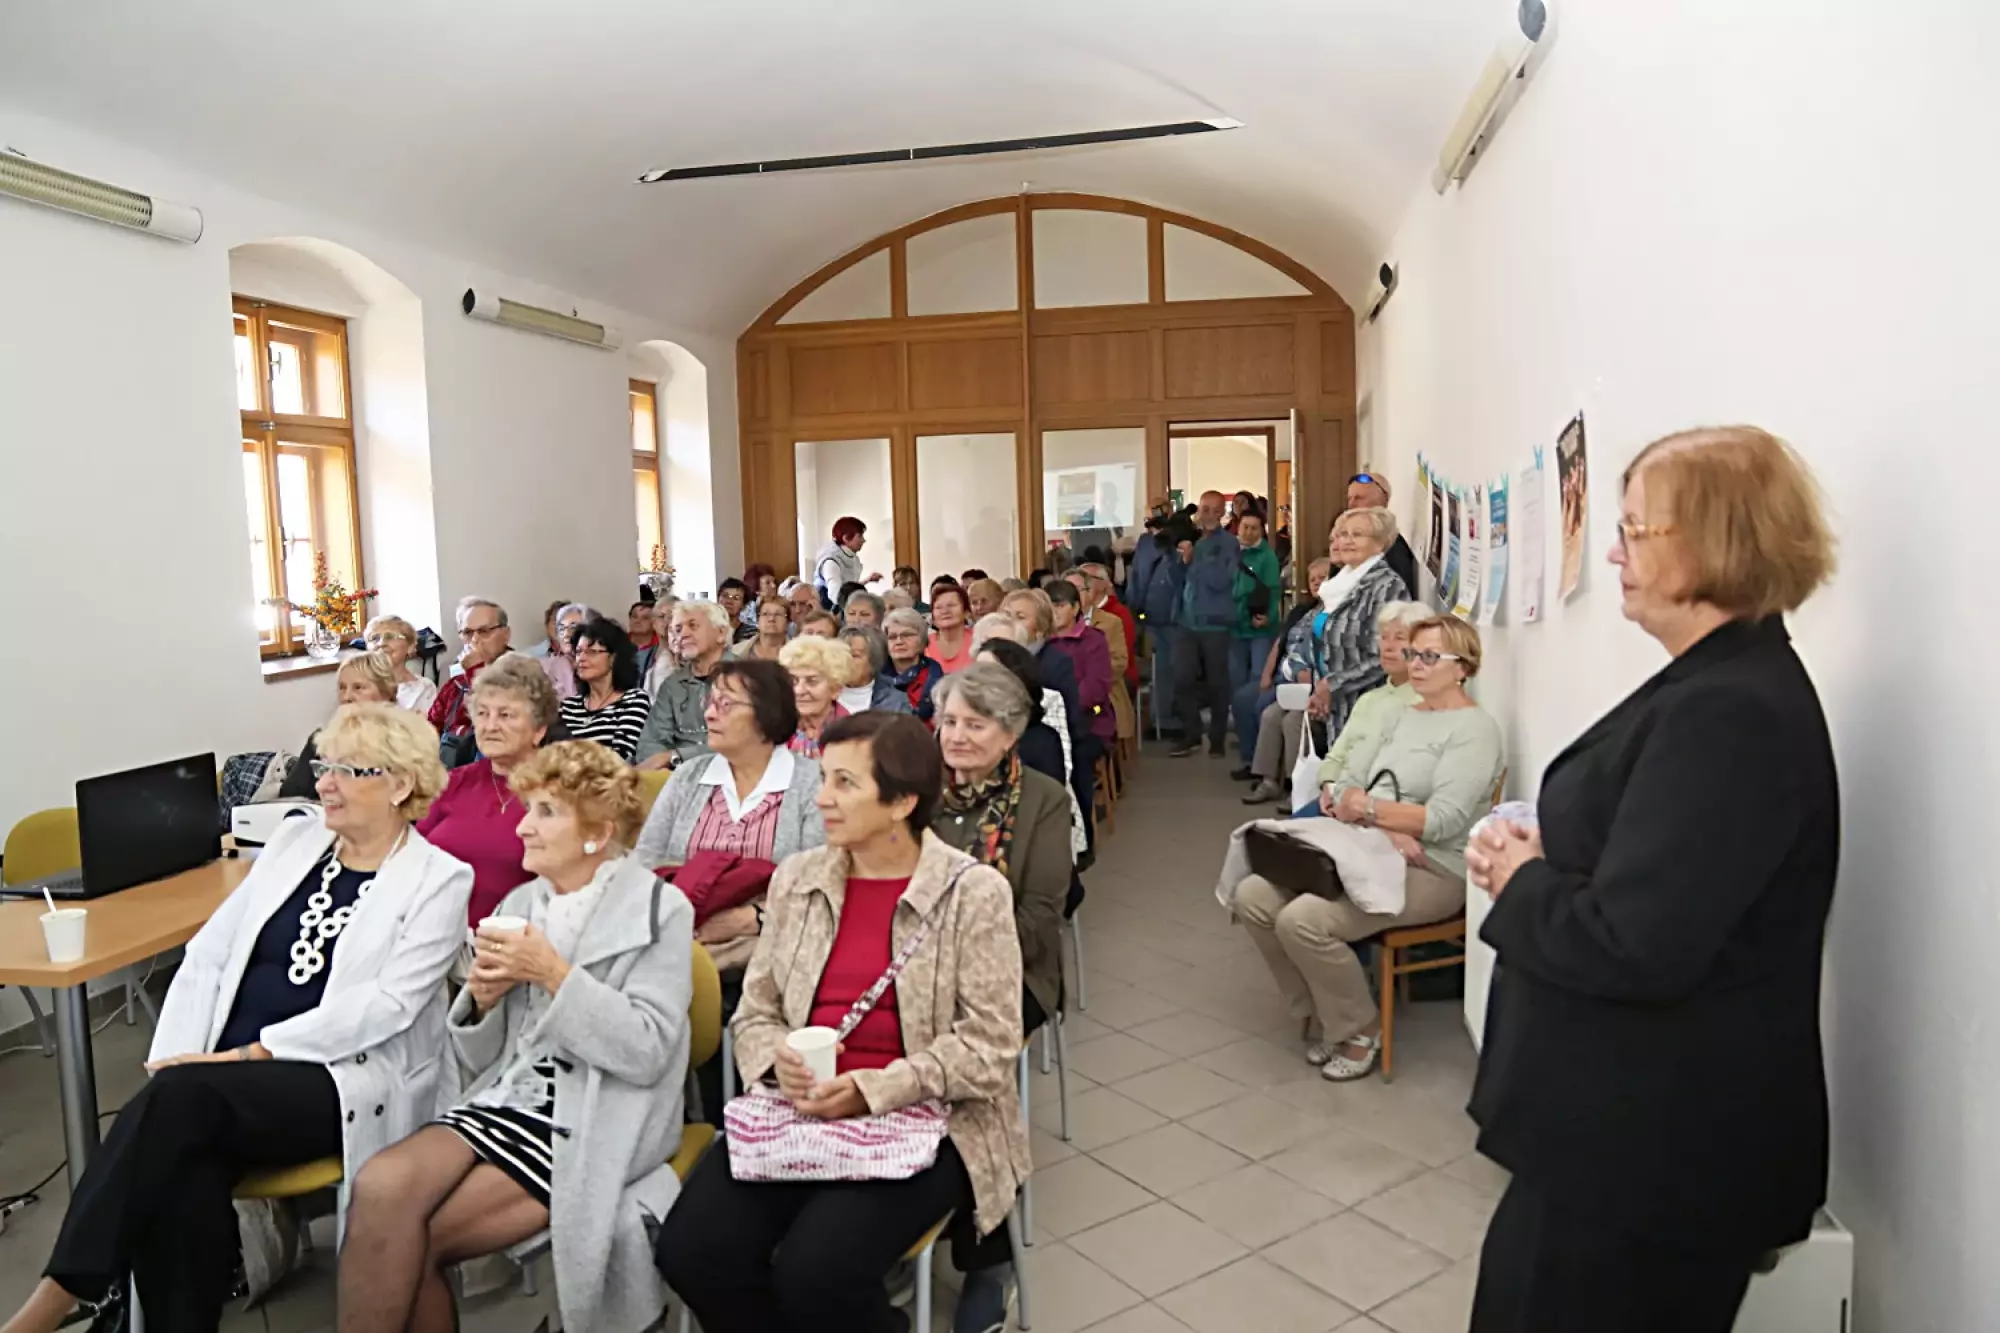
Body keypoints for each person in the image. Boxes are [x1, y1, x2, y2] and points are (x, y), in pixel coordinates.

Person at [1462, 427, 1840, 1333]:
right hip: (1624, 1141)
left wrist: (1520, 877)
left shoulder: (1730, 712)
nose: (1614, 554)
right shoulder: (1717, 683)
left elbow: (1638, 945)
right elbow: (1668, 863)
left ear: (1715, 541)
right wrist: (1562, 844)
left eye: (1635, 531)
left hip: (1653, 1155)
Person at [1, 706, 467, 1333]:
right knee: (182, 1160)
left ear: (401, 784)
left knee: (178, 1110)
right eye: (324, 766)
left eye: (347, 770)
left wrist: (250, 1054)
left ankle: (60, 1297)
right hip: (218, 1082)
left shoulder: (438, 879)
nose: (324, 783)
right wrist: (175, 1056)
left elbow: (387, 1007)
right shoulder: (295, 845)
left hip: (335, 1078)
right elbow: (210, 955)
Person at [654, 713, 1029, 1333]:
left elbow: (990, 1045)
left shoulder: (972, 893)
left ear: (903, 801)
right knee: (692, 1252)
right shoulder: (799, 879)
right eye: (823, 778)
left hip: (926, 1117)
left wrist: (873, 1088)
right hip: (797, 1110)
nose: (821, 797)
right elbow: (756, 1009)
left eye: (844, 783)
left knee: (817, 1274)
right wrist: (777, 1062)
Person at [338, 742, 692, 1333]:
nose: (523, 827)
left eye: (546, 812)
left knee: (414, 1236)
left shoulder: (658, 909)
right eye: (528, 809)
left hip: (599, 1108)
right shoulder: (523, 902)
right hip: (510, 1096)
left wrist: (552, 973)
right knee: (377, 1187)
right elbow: (484, 1059)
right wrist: (481, 1001)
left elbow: (647, 1051)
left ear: (598, 833)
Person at [1230, 615, 1503, 1081]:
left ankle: (1359, 1029)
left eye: (1430, 656)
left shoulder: (1474, 730)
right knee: (1252, 895)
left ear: (1463, 667)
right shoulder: (1403, 713)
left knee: (1303, 920)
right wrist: (1370, 813)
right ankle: (1322, 1012)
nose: (1416, 664)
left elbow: (1442, 821)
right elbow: (1352, 776)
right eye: (1414, 654)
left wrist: (1371, 810)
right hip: (1371, 845)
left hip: (1433, 868)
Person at [929, 666, 1071, 1328]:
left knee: (969, 1070)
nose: (956, 736)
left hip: (1014, 973)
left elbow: (1040, 916)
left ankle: (987, 1255)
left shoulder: (1043, 799)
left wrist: (953, 951)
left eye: (975, 724)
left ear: (1011, 733)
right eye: (950, 721)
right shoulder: (917, 790)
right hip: (916, 972)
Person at [633, 658, 828, 1116]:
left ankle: (752, 1113)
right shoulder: (689, 778)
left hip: (774, 942)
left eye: (726, 703)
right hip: (684, 934)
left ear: (765, 716)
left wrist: (750, 918)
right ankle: (678, 1117)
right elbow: (644, 866)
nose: (709, 712)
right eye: (711, 701)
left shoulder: (809, 783)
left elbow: (820, 884)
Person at [416, 654, 557, 924]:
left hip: (518, 936)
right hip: (433, 929)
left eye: (505, 715)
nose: (490, 726)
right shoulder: (453, 782)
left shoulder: (560, 790)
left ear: (539, 729)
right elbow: (413, 858)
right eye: (482, 713)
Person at [975, 638, 1086, 863]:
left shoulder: (1040, 740)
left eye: (990, 674)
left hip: (1026, 849)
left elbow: (1046, 811)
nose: (978, 682)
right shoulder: (964, 734)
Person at [1231, 556, 1334, 800]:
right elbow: (1284, 643)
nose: (1317, 583)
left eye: (1323, 578)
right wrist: (1271, 673)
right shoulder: (1304, 612)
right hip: (1292, 685)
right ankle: (1267, 780)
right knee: (1269, 715)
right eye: (1312, 579)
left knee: (1292, 722)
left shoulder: (1337, 614)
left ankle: (1295, 785)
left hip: (1319, 688)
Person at [1307, 507, 1414, 742]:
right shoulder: (1340, 584)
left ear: (1380, 543)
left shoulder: (1387, 587)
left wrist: (1332, 684)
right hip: (1337, 707)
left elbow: (1386, 657)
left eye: (1357, 534)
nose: (1347, 541)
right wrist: (1321, 689)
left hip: (1368, 708)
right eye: (1343, 534)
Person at [1169, 491, 1240, 758]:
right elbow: (1176, 577)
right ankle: (1192, 734)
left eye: (1214, 510)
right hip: (1186, 621)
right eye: (1204, 509)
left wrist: (1195, 558)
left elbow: (1222, 580)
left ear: (1222, 513)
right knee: (1181, 679)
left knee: (1217, 683)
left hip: (1216, 623)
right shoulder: (1191, 540)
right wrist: (1180, 559)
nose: (1208, 515)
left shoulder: (1229, 543)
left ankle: (1217, 738)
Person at [279, 652, 403, 799]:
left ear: (386, 693)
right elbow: (289, 796)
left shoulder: (401, 743)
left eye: (358, 687)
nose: (347, 697)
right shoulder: (320, 741)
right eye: (342, 687)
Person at [636, 601, 730, 772]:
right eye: (678, 629)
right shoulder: (672, 684)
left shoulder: (748, 679)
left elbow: (742, 743)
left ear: (721, 633)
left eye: (693, 626)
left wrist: (674, 756)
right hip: (673, 776)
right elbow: (650, 743)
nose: (683, 634)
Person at [558, 618, 652, 762]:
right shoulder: (568, 707)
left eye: (591, 652)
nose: (581, 658)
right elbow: (556, 755)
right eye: (578, 652)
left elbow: (622, 756)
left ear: (613, 658)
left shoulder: (634, 700)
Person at [429, 596, 512, 750]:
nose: (475, 640)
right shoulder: (455, 684)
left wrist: (476, 670)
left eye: (484, 631)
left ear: (506, 635)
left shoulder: (524, 672)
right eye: (467, 633)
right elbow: (432, 728)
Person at [1066, 568, 1134, 748]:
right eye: (1067, 590)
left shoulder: (1111, 622)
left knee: (1090, 720)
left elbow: (1120, 663)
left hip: (1103, 696)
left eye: (1078, 590)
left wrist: (1088, 676)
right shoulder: (1054, 625)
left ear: (1089, 592)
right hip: (1065, 694)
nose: (1072, 596)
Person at [1230, 511, 1284, 697]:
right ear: (1238, 527)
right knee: (1235, 675)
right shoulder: (1229, 552)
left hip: (1260, 628)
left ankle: (1256, 711)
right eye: (1245, 527)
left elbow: (1274, 590)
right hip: (1233, 625)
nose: (1248, 532)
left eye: (1254, 528)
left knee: (1258, 676)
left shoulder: (1267, 557)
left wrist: (1269, 616)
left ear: (1261, 531)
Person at [779, 633, 851, 760]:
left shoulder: (852, 734)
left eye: (812, 681)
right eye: (793, 681)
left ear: (835, 688)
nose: (799, 690)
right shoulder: (774, 728)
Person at [1347, 470, 1419, 595]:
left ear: (1384, 500)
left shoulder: (1391, 546)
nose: (1351, 504)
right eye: (1349, 498)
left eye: (1359, 498)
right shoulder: (1347, 543)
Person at [364, 614, 439, 714]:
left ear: (410, 646)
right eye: (374, 638)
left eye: (390, 637)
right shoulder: (356, 685)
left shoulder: (425, 688)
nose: (381, 643)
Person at [882, 607, 944, 722]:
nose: (899, 641)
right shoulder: (875, 678)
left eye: (907, 635)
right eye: (892, 637)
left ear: (922, 639)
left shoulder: (938, 681)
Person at [836, 625, 914, 715]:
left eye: (855, 655)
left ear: (873, 661)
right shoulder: (825, 694)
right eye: (842, 654)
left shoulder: (895, 702)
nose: (846, 660)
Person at [539, 602, 599, 702]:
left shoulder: (601, 668)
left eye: (573, 628)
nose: (566, 634)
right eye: (561, 629)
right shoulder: (545, 668)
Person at [812, 516, 872, 608]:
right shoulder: (831, 562)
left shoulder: (851, 558)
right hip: (828, 610)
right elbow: (836, 594)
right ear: (846, 538)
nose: (863, 540)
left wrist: (868, 580)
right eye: (860, 536)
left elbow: (846, 589)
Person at [926, 582, 976, 674]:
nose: (945, 611)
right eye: (938, 607)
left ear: (966, 611)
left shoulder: (979, 640)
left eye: (951, 605)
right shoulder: (924, 644)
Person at [730, 595, 792, 662]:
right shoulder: (735, 652)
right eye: (765, 614)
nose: (771, 619)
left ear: (788, 622)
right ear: (758, 620)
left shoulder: (799, 653)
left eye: (778, 614)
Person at [628, 600, 663, 682]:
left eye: (645, 618)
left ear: (654, 623)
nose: (637, 621)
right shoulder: (616, 643)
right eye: (634, 616)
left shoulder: (662, 647)